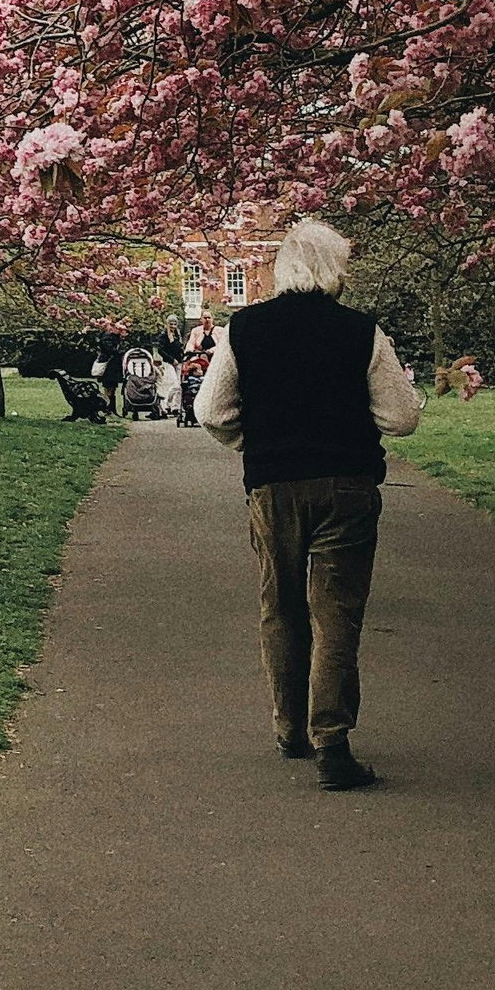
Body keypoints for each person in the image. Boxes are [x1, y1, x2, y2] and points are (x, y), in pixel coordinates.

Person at [194, 222, 421, 791]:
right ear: (334, 268)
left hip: (273, 488)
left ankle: (289, 727)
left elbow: (212, 412)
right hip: (345, 485)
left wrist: (261, 443)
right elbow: (402, 418)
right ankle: (333, 741)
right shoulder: (362, 333)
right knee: (336, 612)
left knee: (281, 606)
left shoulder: (243, 330)